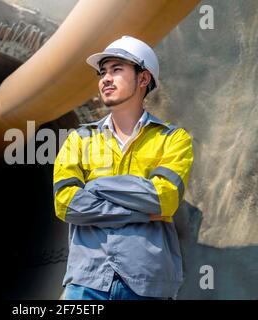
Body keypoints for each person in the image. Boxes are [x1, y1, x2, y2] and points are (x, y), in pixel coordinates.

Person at [53, 36, 194, 300]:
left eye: (116, 69)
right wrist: (143, 212)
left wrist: (95, 187)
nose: (105, 78)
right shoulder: (80, 139)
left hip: (147, 283)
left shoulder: (174, 139)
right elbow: (66, 204)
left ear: (143, 79)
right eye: (102, 72)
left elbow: (163, 199)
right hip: (86, 282)